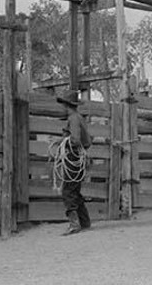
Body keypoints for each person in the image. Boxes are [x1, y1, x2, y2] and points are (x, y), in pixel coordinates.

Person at [56, 89, 93, 235]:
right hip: (78, 157)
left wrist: (64, 142)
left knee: (68, 191)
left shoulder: (73, 119)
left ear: (66, 105)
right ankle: (85, 221)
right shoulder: (78, 117)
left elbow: (76, 139)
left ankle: (74, 224)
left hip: (73, 158)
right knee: (75, 190)